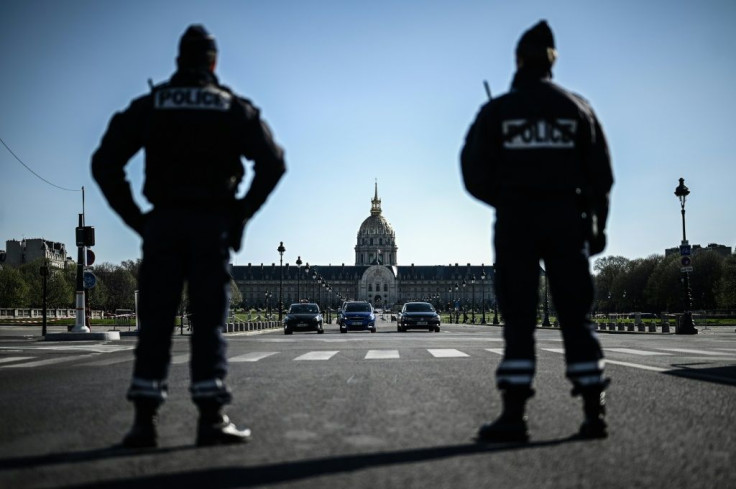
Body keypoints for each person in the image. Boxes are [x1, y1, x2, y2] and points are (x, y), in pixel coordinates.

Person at [92, 24, 286, 447]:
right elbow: (273, 162)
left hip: (163, 223)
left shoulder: (153, 103)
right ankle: (211, 417)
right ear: (213, 62)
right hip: (210, 224)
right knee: (208, 322)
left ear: (179, 59)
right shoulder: (231, 107)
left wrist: (137, 219)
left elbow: (104, 162)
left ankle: (143, 422)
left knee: (156, 321)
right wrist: (240, 215)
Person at [460, 20, 613, 442]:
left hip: (517, 222)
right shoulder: (578, 107)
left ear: (517, 61)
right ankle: (592, 408)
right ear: (552, 61)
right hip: (567, 218)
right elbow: (601, 174)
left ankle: (513, 414)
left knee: (519, 316)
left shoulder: (498, 111)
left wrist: (505, 197)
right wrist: (596, 221)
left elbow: (471, 172)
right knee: (575, 316)